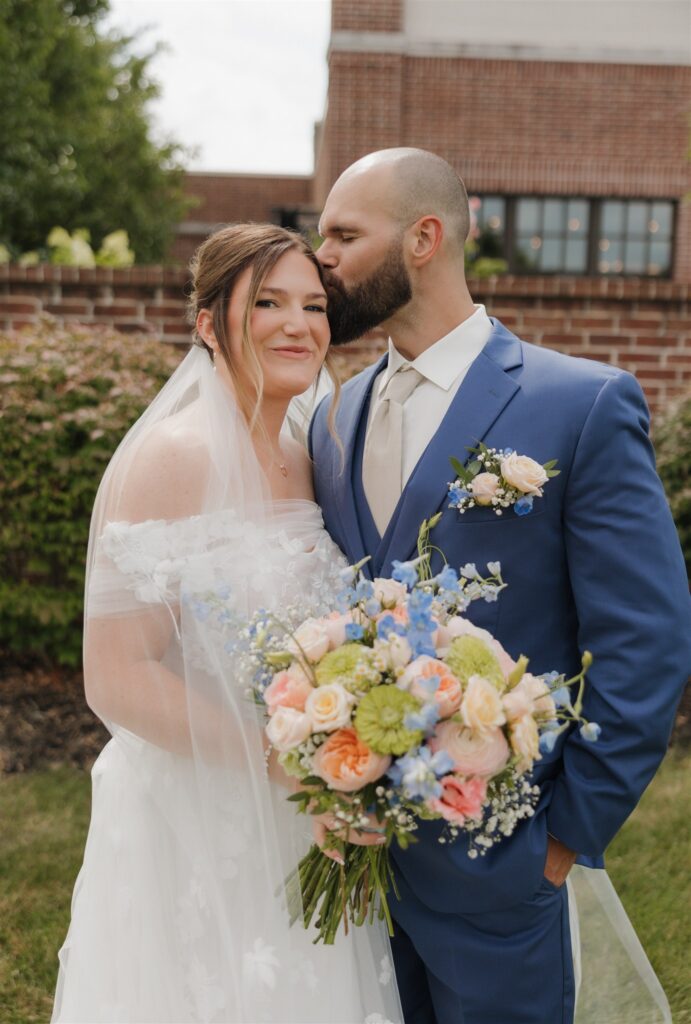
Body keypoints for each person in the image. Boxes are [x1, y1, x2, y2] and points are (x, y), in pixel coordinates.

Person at [310, 148, 691, 1024]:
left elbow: (646, 638)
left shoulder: (581, 404)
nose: (319, 255)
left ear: (423, 238)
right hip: (360, 868)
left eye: (342, 234)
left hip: (502, 859)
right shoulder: (336, 412)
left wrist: (564, 836)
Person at [52, 224, 402, 1024]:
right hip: (202, 812)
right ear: (208, 323)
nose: (298, 324)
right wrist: (293, 767)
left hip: (308, 806)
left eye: (314, 306)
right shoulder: (172, 459)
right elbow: (117, 673)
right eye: (268, 302)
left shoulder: (308, 454)